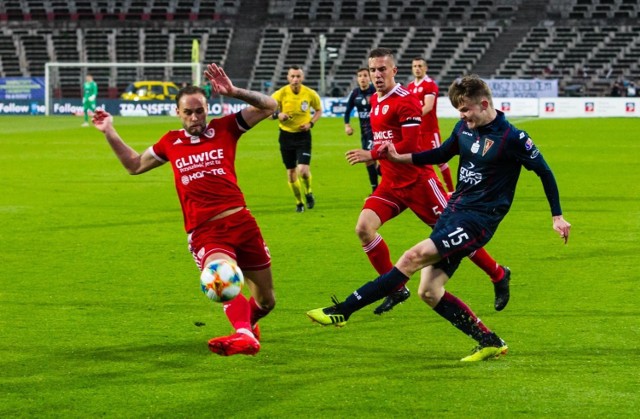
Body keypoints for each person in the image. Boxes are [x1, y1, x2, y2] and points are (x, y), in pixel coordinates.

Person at [307, 74, 572, 362]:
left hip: (478, 221)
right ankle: (489, 340)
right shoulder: (463, 129)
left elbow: (545, 172)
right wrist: (397, 158)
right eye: (459, 110)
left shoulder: (513, 138)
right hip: (454, 211)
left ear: (484, 104)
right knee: (429, 291)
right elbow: (437, 154)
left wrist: (557, 216)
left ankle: (343, 310)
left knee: (411, 258)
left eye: (466, 109)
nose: (462, 116)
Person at [91, 63, 278, 357]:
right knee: (220, 279)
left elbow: (271, 106)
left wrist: (234, 91)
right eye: (188, 112)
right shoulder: (170, 142)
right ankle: (243, 333)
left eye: (200, 110)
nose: (194, 117)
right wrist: (109, 131)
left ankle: (245, 325)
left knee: (267, 301)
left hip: (242, 222)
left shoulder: (225, 127)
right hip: (205, 231)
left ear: (208, 108)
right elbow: (135, 165)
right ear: (178, 113)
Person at [344, 49, 510, 316]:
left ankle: (498, 273)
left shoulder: (406, 100)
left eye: (382, 69)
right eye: (373, 69)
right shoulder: (376, 99)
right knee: (364, 228)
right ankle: (395, 288)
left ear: (394, 71)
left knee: (455, 239)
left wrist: (372, 154)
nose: (376, 74)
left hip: (419, 183)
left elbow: (408, 145)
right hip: (392, 184)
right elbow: (385, 138)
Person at [272, 65, 323, 212]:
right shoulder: (280, 94)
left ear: (302, 78)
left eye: (298, 76)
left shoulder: (309, 93)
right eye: (292, 76)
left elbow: (319, 110)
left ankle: (308, 192)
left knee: (303, 170)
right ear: (288, 78)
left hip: (303, 137)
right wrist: (277, 115)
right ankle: (299, 202)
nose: (295, 79)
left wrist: (311, 123)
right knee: (291, 172)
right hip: (286, 136)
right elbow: (266, 111)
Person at [407, 57, 455, 192]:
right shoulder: (410, 86)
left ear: (425, 68)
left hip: (429, 130)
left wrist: (411, 118)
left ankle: (451, 191)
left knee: (440, 160)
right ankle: (427, 190)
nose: (417, 68)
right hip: (417, 131)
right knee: (420, 162)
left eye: (420, 66)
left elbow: (428, 107)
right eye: (415, 66)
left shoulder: (430, 84)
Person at [344, 67, 379, 193]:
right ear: (357, 78)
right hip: (364, 132)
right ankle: (376, 188)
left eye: (365, 75)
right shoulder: (355, 93)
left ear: (369, 78)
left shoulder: (375, 91)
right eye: (360, 76)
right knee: (369, 162)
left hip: (376, 131)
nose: (362, 78)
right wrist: (347, 125)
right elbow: (347, 110)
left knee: (371, 159)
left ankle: (378, 189)